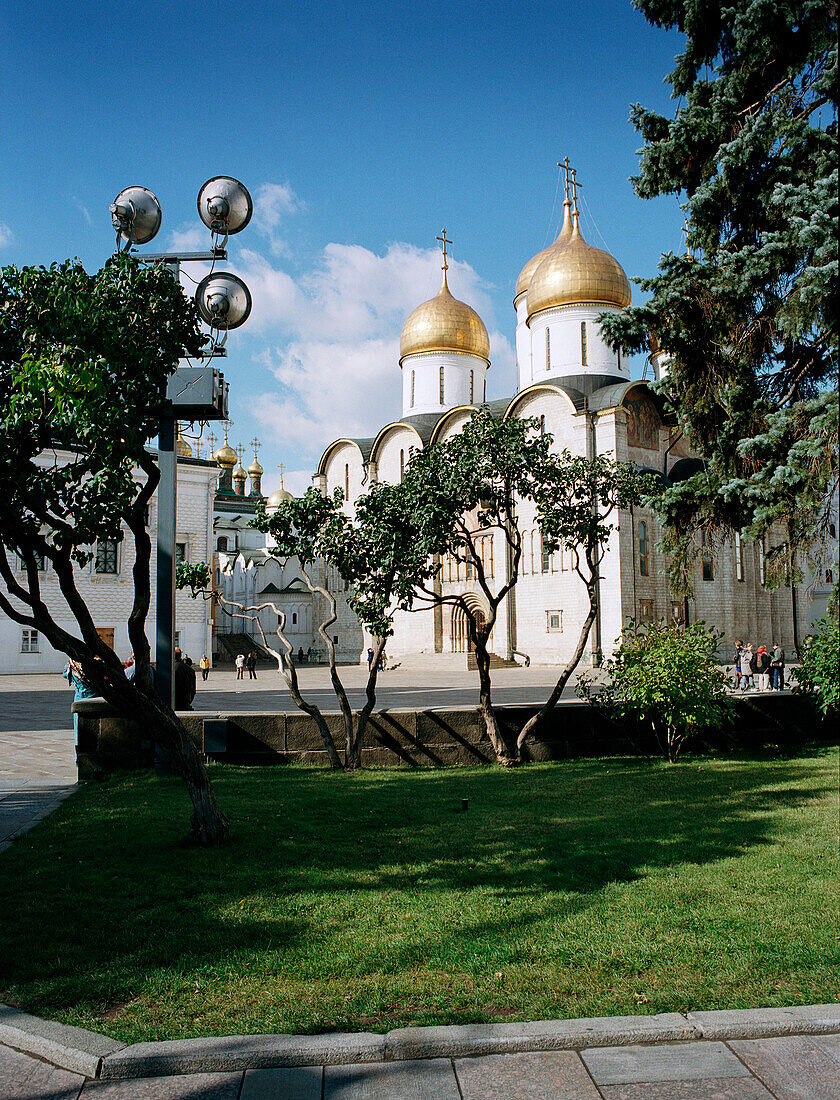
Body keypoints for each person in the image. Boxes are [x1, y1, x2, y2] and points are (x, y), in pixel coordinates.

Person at [64, 658, 98, 746]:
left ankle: (79, 747)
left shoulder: (72, 663)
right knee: (94, 726)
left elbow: (65, 674)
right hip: (94, 698)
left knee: (79, 726)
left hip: (79, 698)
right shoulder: (95, 663)